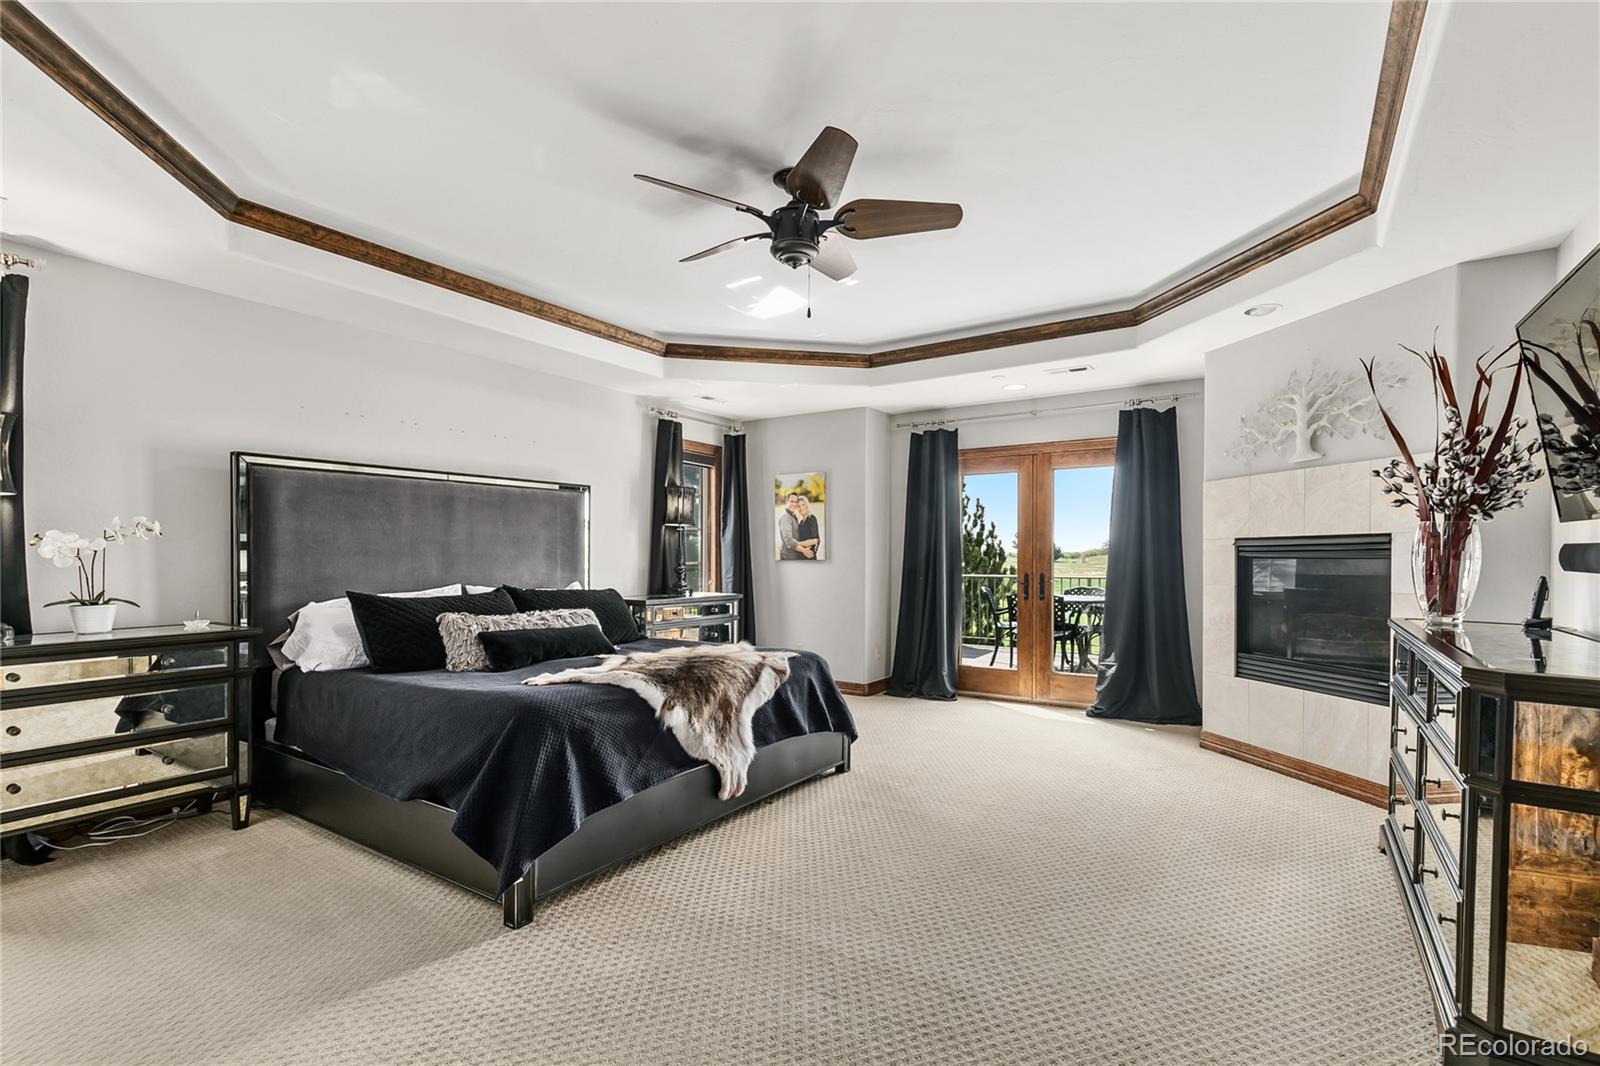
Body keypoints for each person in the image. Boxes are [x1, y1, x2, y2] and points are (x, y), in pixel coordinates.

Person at [778, 492, 805, 560]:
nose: (794, 504)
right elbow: (789, 540)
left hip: (794, 555)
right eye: (791, 501)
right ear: (787, 502)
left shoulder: (793, 515)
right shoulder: (785, 518)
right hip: (788, 557)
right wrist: (804, 551)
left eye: (796, 502)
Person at [794, 494, 820, 560]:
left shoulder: (811, 519)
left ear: (807, 505)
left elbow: (815, 541)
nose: (801, 508)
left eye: (803, 505)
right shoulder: (801, 522)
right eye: (799, 506)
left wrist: (797, 544)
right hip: (802, 556)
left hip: (810, 556)